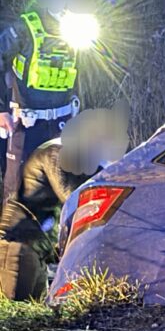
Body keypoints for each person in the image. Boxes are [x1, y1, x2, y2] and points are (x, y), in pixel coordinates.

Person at [0, 108, 127, 300]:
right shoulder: (59, 153)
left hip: (37, 248)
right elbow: (76, 200)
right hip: (19, 243)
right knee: (17, 307)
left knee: (36, 309)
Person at [0, 0, 92, 206]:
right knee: (19, 191)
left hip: (63, 123)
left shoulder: (77, 34)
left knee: (63, 183)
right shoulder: (24, 28)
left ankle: (57, 224)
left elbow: (82, 75)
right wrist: (1, 110)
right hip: (26, 125)